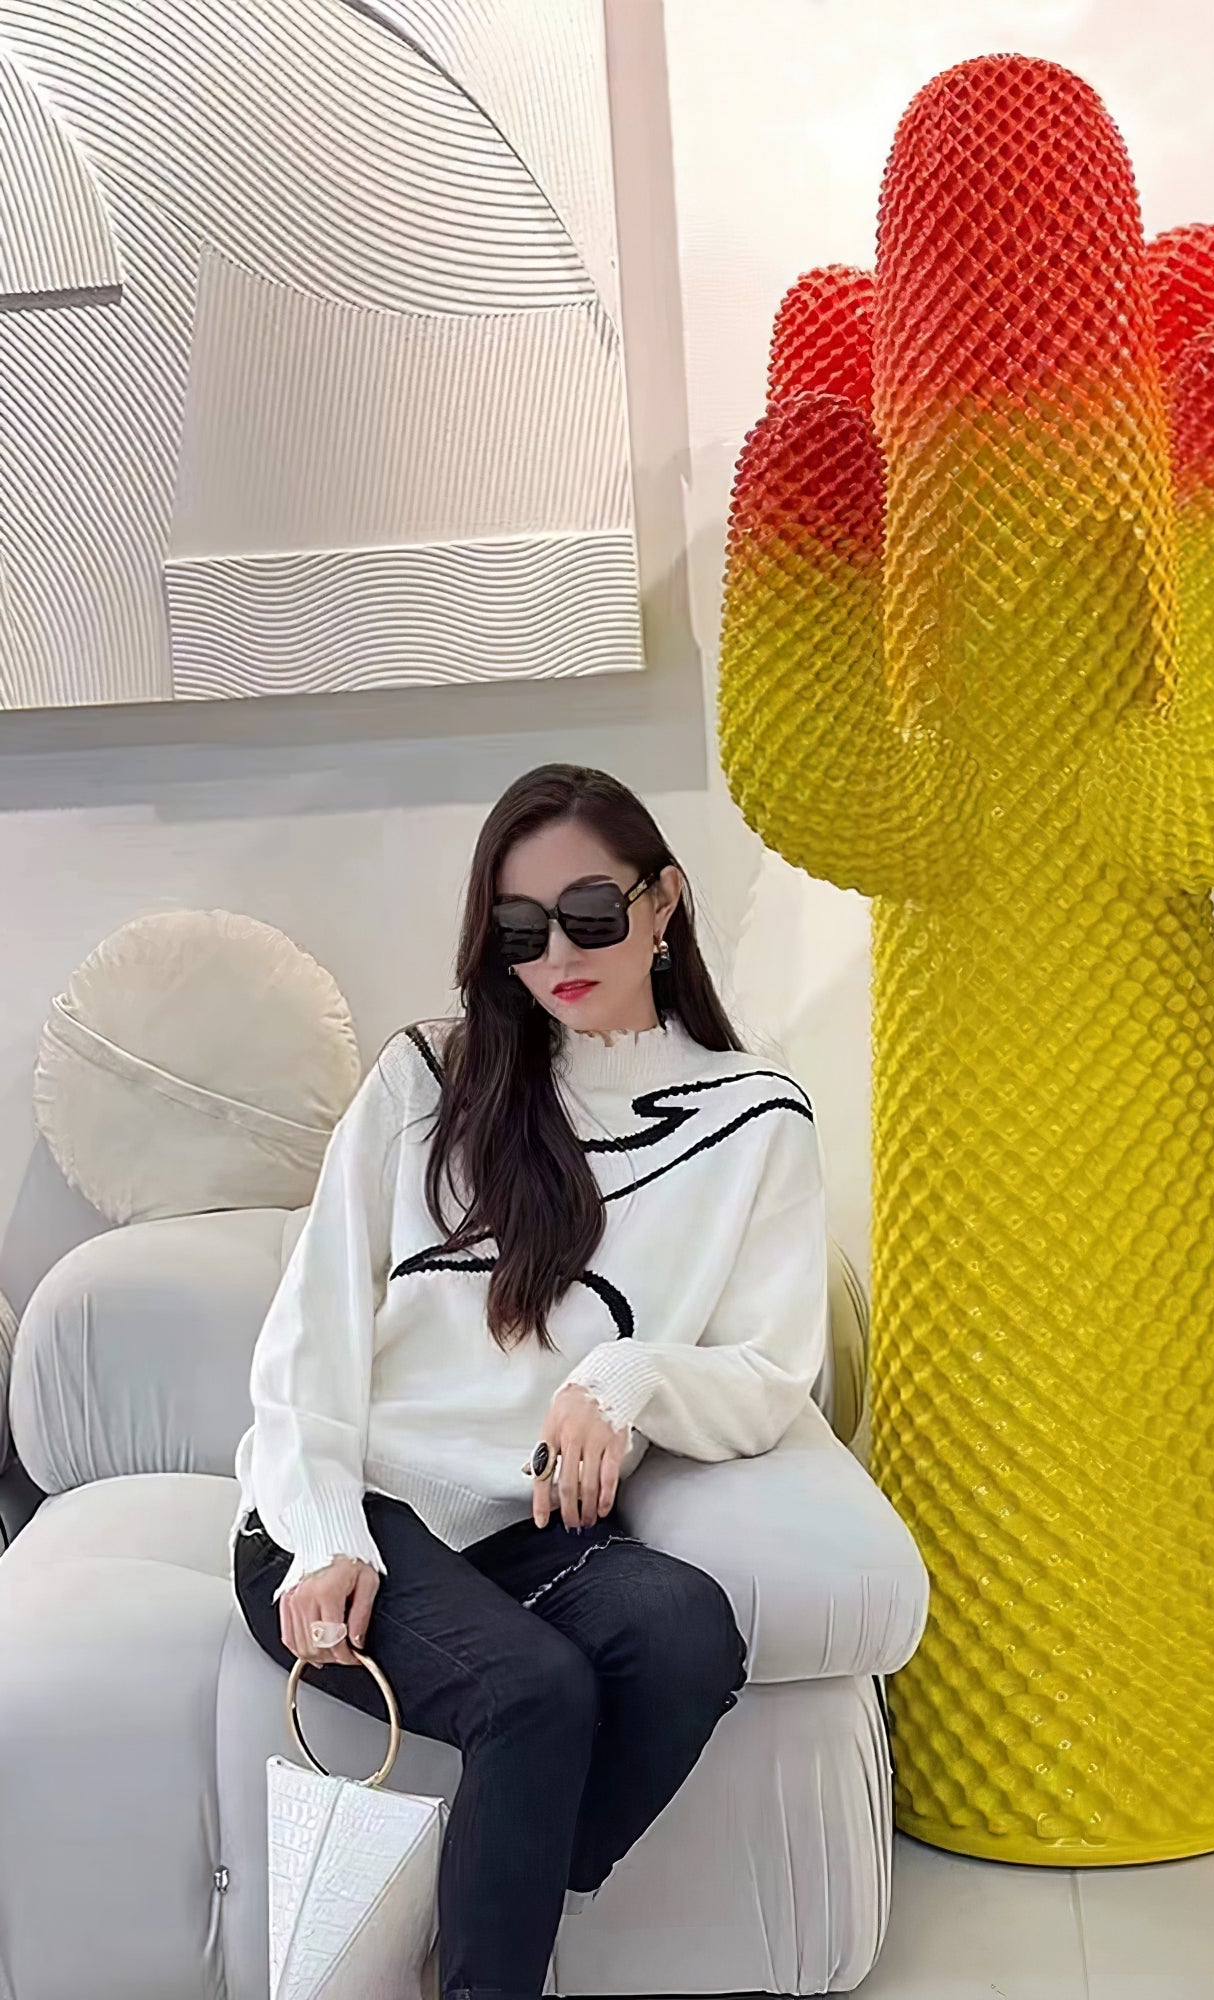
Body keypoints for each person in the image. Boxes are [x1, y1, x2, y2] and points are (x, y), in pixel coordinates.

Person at [229, 762, 829, 2000]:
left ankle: (480, 1912)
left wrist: (627, 1374)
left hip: (534, 1532)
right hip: (350, 1514)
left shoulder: (755, 1118)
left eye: (591, 912)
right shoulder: (425, 1080)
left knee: (685, 1633)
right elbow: (309, 1336)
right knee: (534, 1689)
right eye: (518, 926)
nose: (556, 951)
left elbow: (772, 1371)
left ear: (664, 902)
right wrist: (323, 1528)